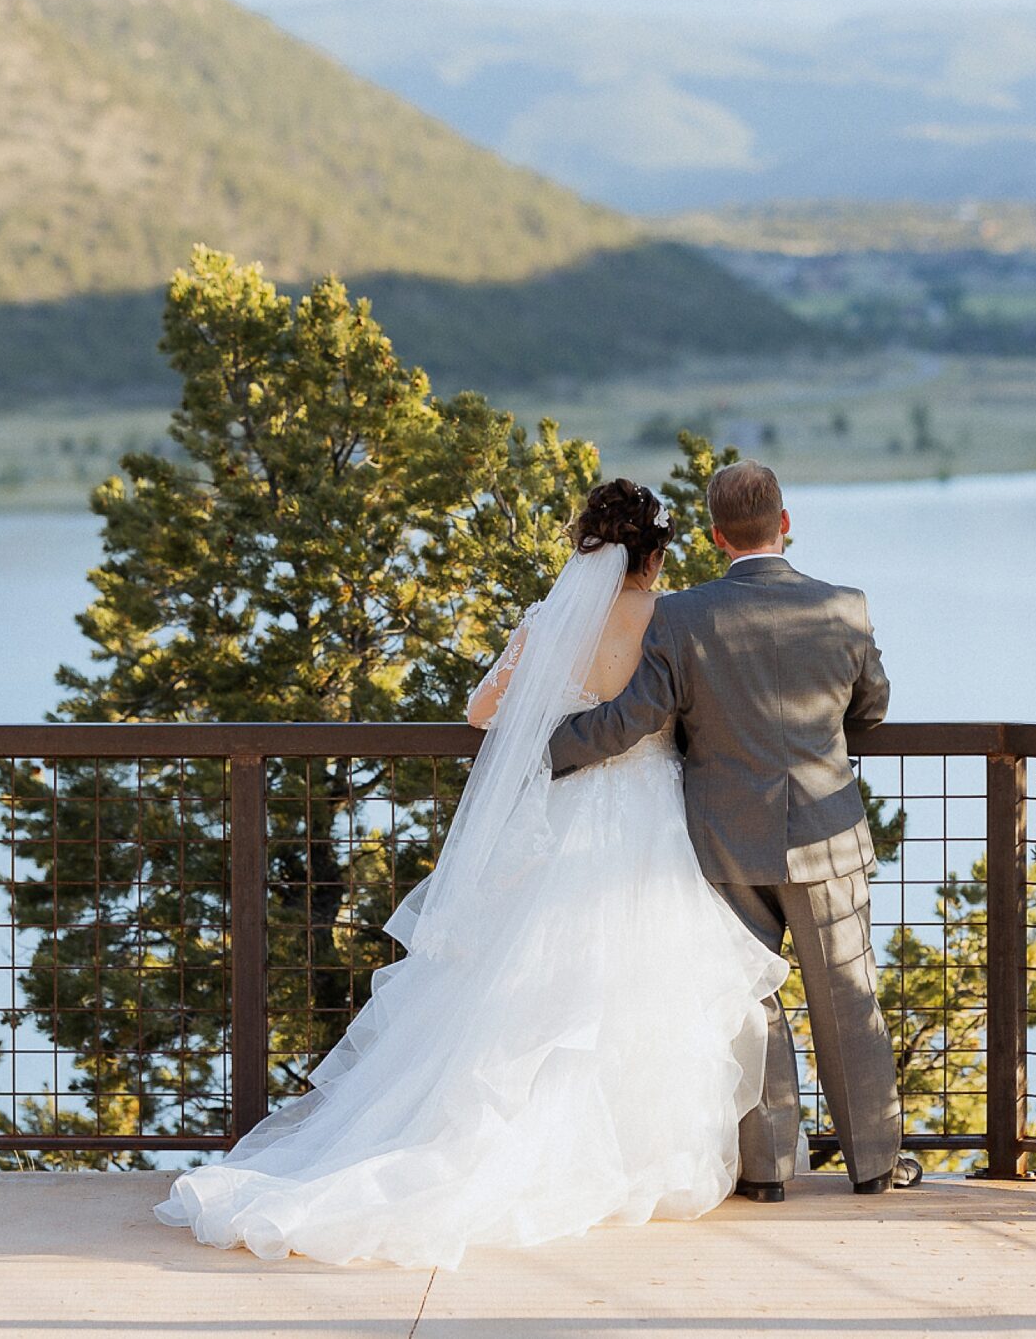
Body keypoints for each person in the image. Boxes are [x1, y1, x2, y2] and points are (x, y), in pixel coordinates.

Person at [155, 479, 790, 1269]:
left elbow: (482, 711)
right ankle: (631, 1156)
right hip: (649, 814)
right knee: (635, 985)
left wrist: (553, 707)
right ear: (655, 553)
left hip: (560, 813)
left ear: (587, 547)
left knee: (526, 984)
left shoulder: (551, 620)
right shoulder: (667, 617)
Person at [550, 460, 917, 1200]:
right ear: (785, 523)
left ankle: (767, 1171)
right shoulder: (845, 607)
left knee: (750, 1000)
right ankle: (874, 1165)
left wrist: (544, 749)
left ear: (717, 537)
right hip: (828, 835)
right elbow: (870, 708)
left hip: (723, 837)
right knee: (848, 996)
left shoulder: (682, 616)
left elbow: (635, 720)